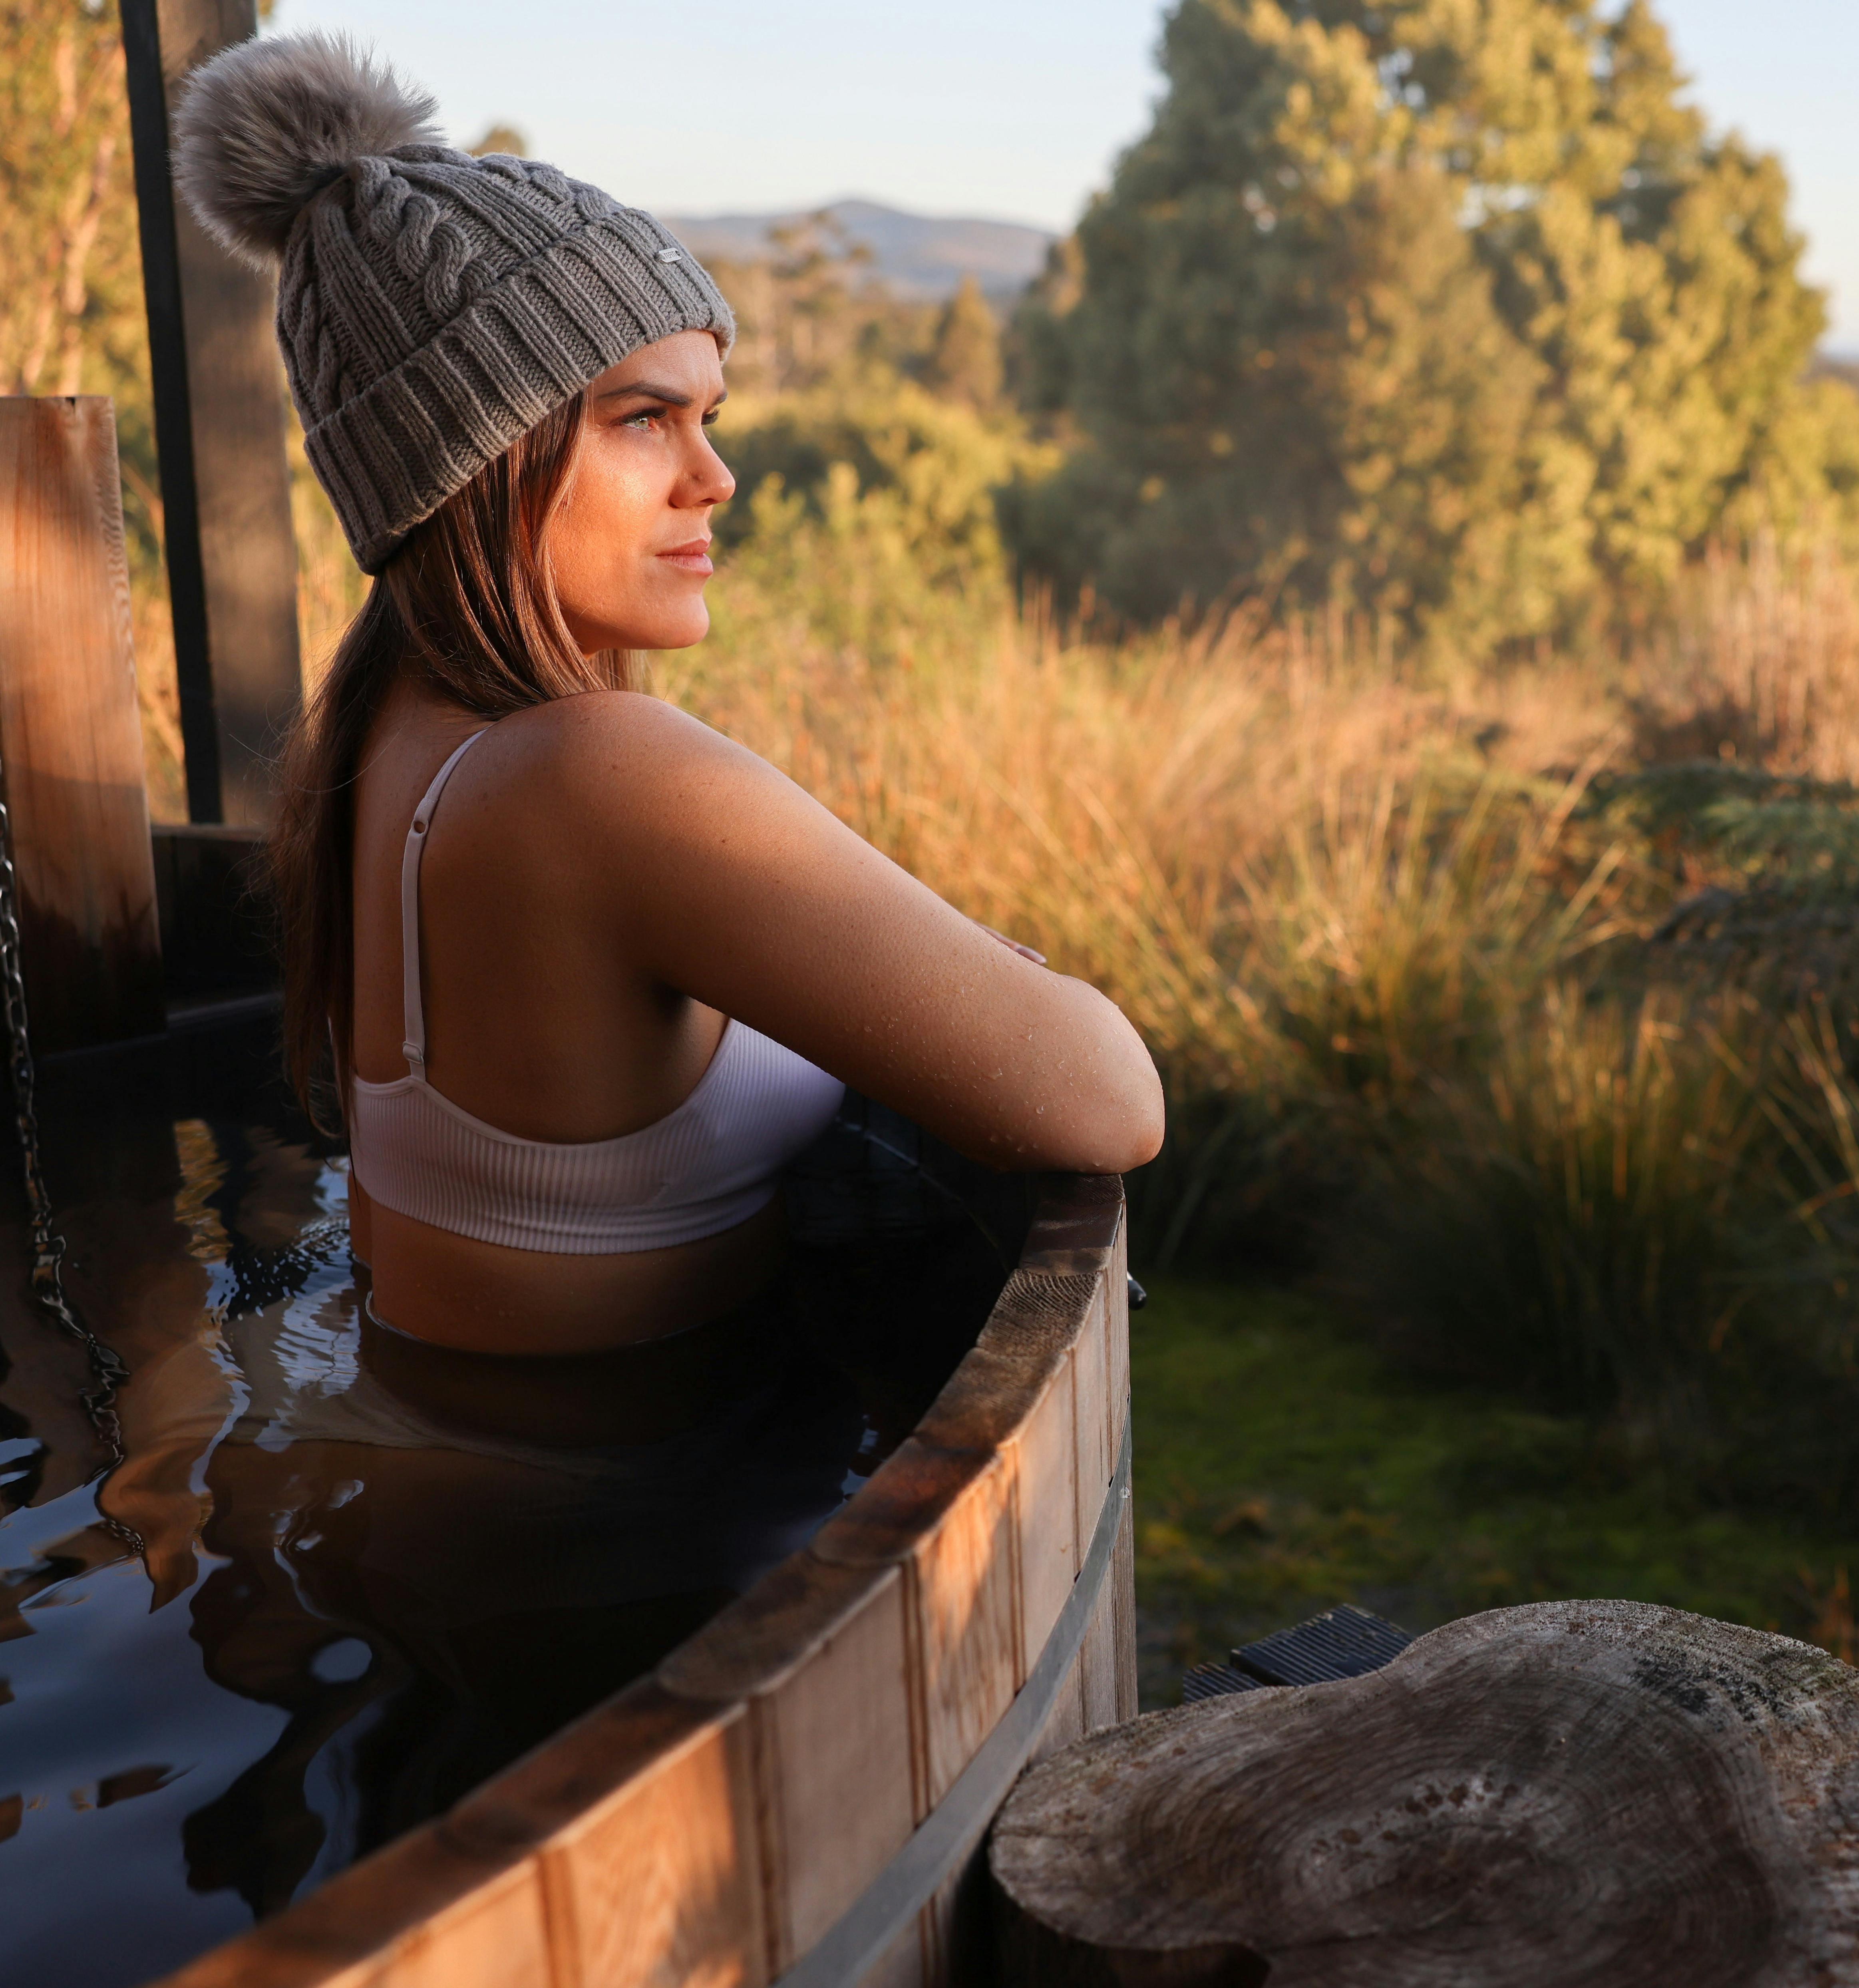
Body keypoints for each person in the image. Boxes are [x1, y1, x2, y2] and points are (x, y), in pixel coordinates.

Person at [174, 36, 1164, 1356]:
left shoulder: (381, 746)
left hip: (474, 1490)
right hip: (635, 1537)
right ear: (470, 461)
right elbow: (1108, 1097)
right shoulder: (595, 770)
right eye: (645, 418)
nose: (716, 476)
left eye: (710, 414)